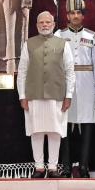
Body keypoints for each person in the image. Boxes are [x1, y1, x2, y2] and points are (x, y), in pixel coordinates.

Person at [18, 11, 76, 178]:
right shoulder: (28, 44)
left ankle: (52, 167)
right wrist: (22, 95)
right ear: (36, 25)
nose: (44, 25)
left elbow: (70, 71)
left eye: (47, 22)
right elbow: (22, 71)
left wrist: (69, 95)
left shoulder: (63, 44)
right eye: (41, 22)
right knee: (36, 131)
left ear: (53, 24)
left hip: (57, 95)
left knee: (54, 131)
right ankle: (38, 167)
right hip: (33, 95)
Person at [55, 0, 95, 178]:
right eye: (72, 13)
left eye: (79, 13)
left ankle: (83, 165)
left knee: (87, 126)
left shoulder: (92, 36)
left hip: (87, 84)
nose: (75, 16)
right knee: (63, 126)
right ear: (67, 15)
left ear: (83, 16)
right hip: (65, 84)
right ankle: (65, 166)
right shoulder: (58, 35)